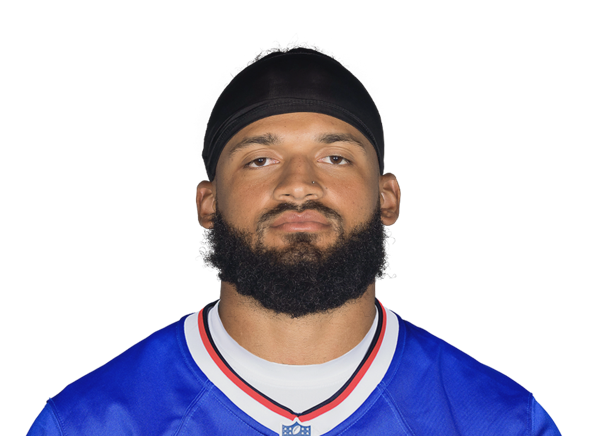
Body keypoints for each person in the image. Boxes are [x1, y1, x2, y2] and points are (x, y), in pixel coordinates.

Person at [26, 43, 561, 436]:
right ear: (208, 203)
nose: (299, 184)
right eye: (261, 159)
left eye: (336, 157)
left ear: (387, 197)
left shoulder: (504, 423)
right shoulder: (86, 425)